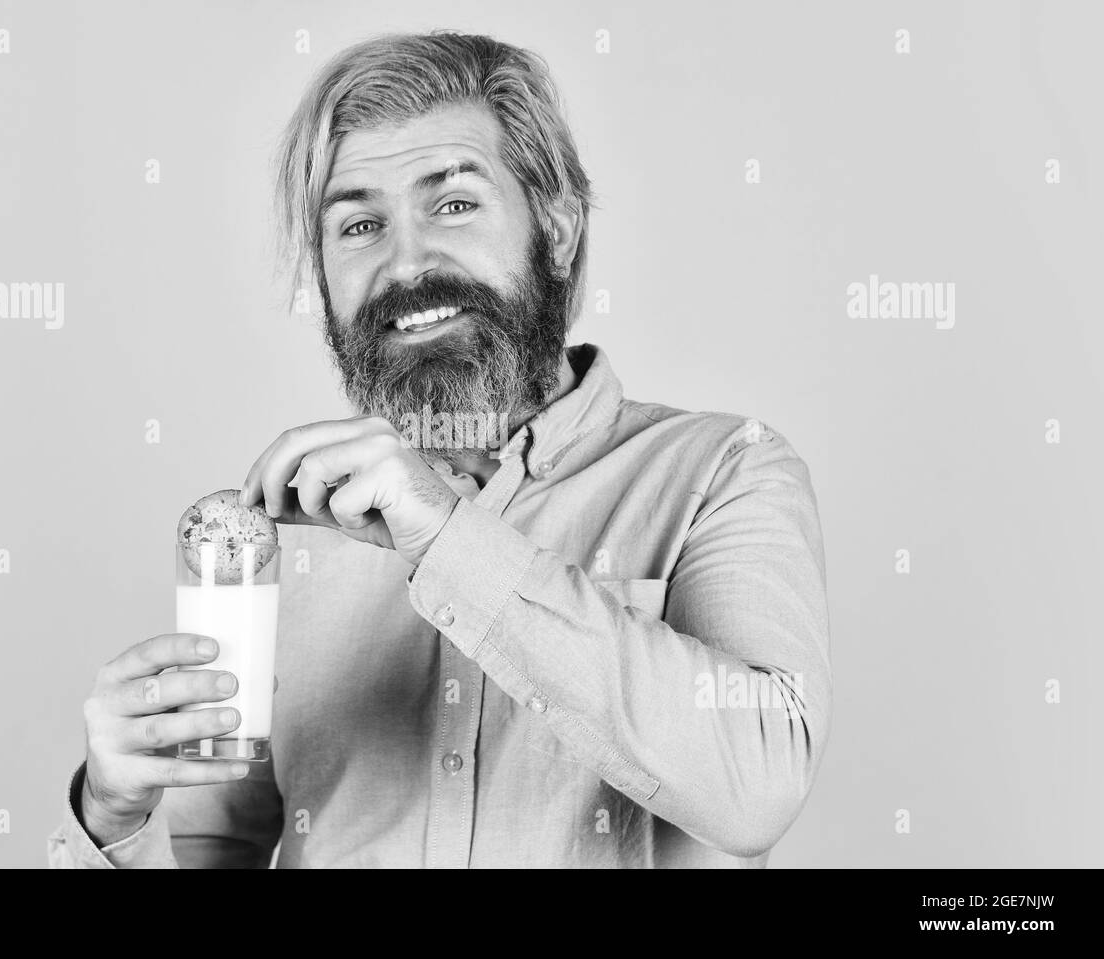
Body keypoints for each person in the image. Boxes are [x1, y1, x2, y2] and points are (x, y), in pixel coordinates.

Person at [48, 29, 831, 869]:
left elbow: (756, 787)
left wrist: (447, 539)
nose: (406, 262)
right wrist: (116, 815)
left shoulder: (721, 472)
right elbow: (212, 854)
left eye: (453, 204)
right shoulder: (291, 540)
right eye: (358, 224)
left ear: (557, 231)